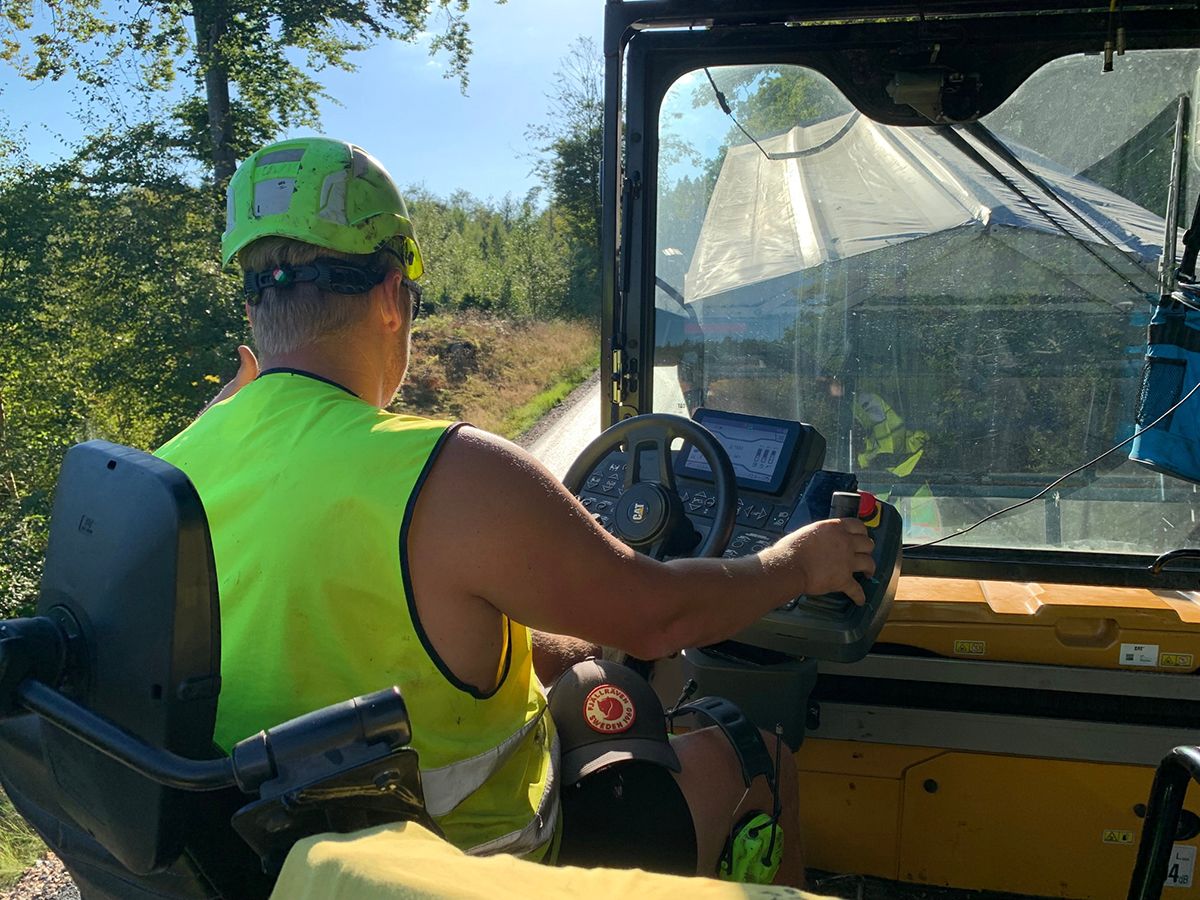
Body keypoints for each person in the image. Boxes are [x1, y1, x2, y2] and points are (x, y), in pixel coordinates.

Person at [156, 137, 875, 886]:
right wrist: (798, 561)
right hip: (482, 868)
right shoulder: (451, 470)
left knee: (584, 665)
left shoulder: (174, 463)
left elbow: (340, 637)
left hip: (289, 872)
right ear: (392, 295)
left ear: (251, 303)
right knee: (756, 750)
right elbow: (661, 620)